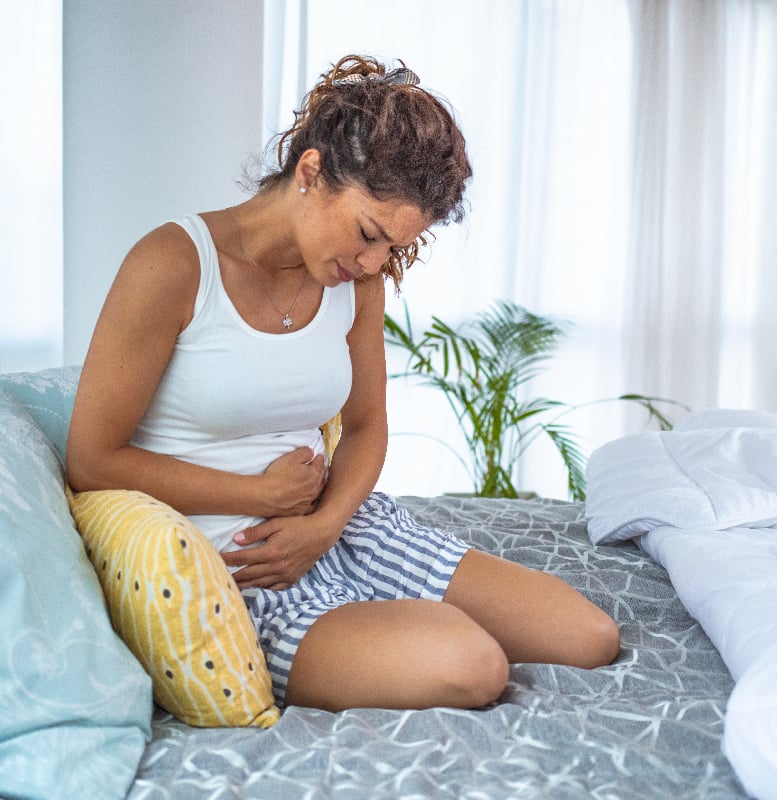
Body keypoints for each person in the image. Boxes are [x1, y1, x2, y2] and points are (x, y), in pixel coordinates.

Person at [67, 54, 619, 712]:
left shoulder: (356, 282)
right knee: (473, 665)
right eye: (368, 234)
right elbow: (91, 458)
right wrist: (256, 493)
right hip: (243, 565)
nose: (372, 262)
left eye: (392, 247)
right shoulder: (173, 264)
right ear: (311, 172)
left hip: (340, 530)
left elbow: (365, 428)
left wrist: (326, 523)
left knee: (589, 637)